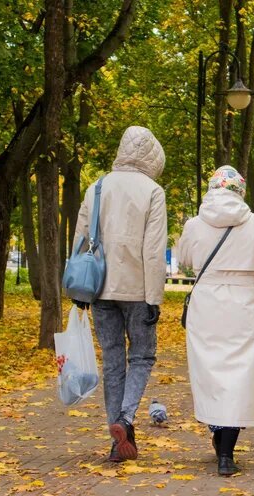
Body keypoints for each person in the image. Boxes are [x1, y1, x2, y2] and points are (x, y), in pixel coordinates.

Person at [176, 165, 254, 476]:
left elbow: (183, 261)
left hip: (206, 305)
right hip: (244, 306)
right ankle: (226, 451)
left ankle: (217, 433)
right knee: (240, 375)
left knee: (210, 372)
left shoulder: (195, 224)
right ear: (240, 192)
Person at [73, 126, 167, 463]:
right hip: (138, 288)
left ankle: (118, 442)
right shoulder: (153, 191)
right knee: (141, 356)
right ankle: (125, 419)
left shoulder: (96, 186)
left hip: (99, 287)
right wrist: (155, 296)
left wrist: (79, 288)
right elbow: (154, 250)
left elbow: (81, 237)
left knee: (113, 362)